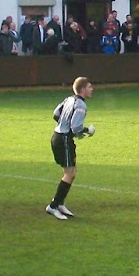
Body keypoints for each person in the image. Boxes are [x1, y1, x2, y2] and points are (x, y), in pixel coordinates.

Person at [47, 77, 96, 220]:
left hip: (58, 136)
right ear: (82, 89)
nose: (92, 89)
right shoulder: (81, 105)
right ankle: (53, 206)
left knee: (71, 172)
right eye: (89, 87)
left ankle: (60, 203)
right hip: (64, 140)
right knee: (70, 173)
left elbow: (56, 114)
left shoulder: (68, 99)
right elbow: (75, 128)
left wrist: (64, 123)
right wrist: (88, 130)